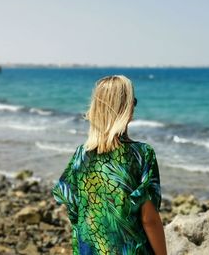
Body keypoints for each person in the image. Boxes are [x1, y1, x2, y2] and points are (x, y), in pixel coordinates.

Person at [52, 75, 167, 255]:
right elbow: (149, 219)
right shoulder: (141, 154)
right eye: (133, 101)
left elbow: (73, 209)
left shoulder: (80, 155)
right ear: (126, 108)